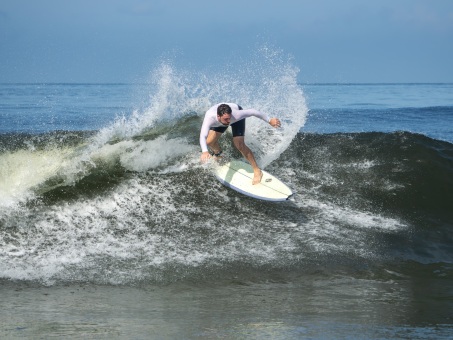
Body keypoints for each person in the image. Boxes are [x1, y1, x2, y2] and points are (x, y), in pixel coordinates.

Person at [199, 103, 281, 185]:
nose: (229, 121)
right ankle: (218, 154)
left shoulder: (235, 115)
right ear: (218, 116)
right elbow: (203, 135)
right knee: (209, 141)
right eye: (226, 119)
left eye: (229, 118)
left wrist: (269, 120)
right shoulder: (210, 118)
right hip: (220, 122)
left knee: (239, 144)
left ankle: (257, 170)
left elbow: (253, 112)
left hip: (236, 118)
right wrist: (205, 151)